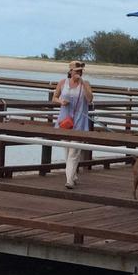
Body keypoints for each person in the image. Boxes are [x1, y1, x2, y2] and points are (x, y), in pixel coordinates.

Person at [52, 60, 93, 189]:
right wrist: (60, 101)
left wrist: (82, 83)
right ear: (70, 71)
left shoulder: (85, 84)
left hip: (80, 121)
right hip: (65, 121)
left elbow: (90, 99)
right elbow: (54, 97)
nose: (78, 73)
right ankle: (73, 175)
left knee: (74, 152)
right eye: (76, 71)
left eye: (81, 71)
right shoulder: (63, 82)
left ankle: (69, 180)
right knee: (67, 151)